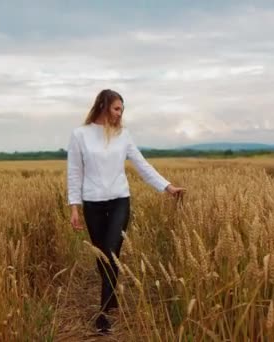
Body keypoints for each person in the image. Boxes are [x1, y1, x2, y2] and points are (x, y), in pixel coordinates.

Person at [66, 89, 186, 334]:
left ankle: (103, 314)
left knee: (111, 252)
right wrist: (74, 207)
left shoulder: (124, 135)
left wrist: (167, 186)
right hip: (93, 203)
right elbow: (74, 171)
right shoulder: (80, 135)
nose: (120, 114)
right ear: (103, 105)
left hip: (120, 200)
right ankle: (111, 295)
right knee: (102, 257)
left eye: (122, 109)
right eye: (116, 108)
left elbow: (142, 165)